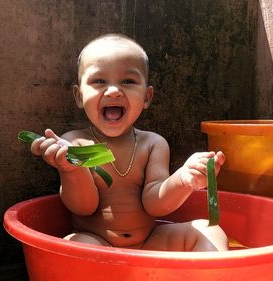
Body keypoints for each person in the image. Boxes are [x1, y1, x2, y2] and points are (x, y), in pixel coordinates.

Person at [30, 34, 228, 251]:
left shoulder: (152, 144)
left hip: (150, 243)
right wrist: (71, 169)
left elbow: (155, 204)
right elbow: (84, 207)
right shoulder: (73, 143)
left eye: (128, 81)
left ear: (146, 97)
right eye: (99, 81)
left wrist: (184, 179)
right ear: (79, 96)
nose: (114, 91)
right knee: (75, 244)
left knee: (209, 231)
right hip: (98, 244)